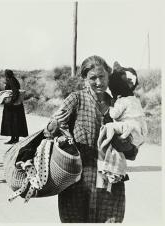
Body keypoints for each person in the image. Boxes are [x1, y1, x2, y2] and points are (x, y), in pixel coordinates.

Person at [44, 56, 125, 223]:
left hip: (108, 175)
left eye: (102, 76)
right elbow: (50, 131)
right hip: (78, 177)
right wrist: (54, 125)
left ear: (108, 76)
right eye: (92, 78)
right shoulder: (76, 98)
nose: (98, 82)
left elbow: (132, 146)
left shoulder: (116, 104)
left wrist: (126, 142)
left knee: (109, 219)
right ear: (85, 79)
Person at [0, 69, 28, 144]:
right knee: (16, 122)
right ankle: (15, 139)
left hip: (13, 106)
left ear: (7, 75)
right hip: (17, 105)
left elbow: (15, 92)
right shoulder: (14, 79)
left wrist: (11, 102)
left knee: (13, 121)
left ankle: (14, 139)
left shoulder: (11, 81)